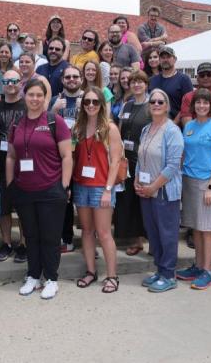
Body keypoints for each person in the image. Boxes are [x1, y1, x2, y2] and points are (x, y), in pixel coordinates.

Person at [6, 79, 73, 300]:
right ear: (24, 97)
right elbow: (11, 156)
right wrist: (10, 184)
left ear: (45, 98)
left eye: (39, 95)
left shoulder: (55, 122)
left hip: (51, 189)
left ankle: (51, 278)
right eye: (31, 95)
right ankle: (33, 275)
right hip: (24, 190)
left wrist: (63, 185)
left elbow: (67, 156)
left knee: (50, 237)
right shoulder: (17, 123)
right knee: (31, 236)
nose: (34, 99)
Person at [174, 89, 211, 290]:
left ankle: (207, 271)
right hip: (188, 181)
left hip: (206, 182)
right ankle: (197, 266)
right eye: (198, 103)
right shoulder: (189, 126)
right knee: (195, 226)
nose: (201, 106)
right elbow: (182, 154)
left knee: (206, 229)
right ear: (193, 106)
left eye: (205, 103)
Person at [72, 86, 123, 294]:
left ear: (101, 104)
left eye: (95, 102)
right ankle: (91, 272)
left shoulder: (110, 128)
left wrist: (108, 189)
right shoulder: (78, 127)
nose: (91, 105)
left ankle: (112, 276)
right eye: (87, 102)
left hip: (101, 186)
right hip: (81, 185)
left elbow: (116, 161)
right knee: (86, 231)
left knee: (103, 233)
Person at [136, 88, 184, 293]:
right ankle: (159, 269)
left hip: (163, 191)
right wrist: (137, 180)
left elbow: (173, 165)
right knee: (153, 233)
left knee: (167, 233)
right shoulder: (146, 129)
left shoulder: (172, 131)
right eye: (152, 101)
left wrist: (153, 187)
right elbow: (140, 158)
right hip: (146, 191)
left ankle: (168, 274)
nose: (156, 104)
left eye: (160, 102)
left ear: (166, 106)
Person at [0, 70, 28, 263]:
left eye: (14, 80)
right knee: (3, 208)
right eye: (6, 81)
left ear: (20, 83)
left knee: (23, 208)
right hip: (0, 164)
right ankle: (6, 243)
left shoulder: (27, 106)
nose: (10, 84)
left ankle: (23, 244)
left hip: (24, 165)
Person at [49, 65, 84, 253]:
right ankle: (67, 238)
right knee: (65, 199)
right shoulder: (56, 100)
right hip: (62, 159)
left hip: (85, 158)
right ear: (62, 80)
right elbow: (45, 128)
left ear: (81, 79)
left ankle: (89, 241)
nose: (72, 79)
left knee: (87, 201)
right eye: (68, 77)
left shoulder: (88, 98)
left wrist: (83, 111)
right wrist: (53, 110)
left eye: (75, 76)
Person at [114, 70, 150, 256]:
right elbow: (120, 132)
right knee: (128, 200)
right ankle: (136, 240)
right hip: (126, 159)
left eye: (140, 82)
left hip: (144, 161)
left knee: (144, 200)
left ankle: (152, 240)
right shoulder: (126, 105)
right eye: (133, 82)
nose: (136, 85)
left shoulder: (151, 105)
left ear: (146, 84)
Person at [148, 45, 193, 122]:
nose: (165, 60)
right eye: (163, 57)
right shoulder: (152, 80)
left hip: (176, 126)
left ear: (175, 59)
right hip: (155, 123)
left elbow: (187, 105)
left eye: (168, 57)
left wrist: (173, 124)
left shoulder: (184, 79)